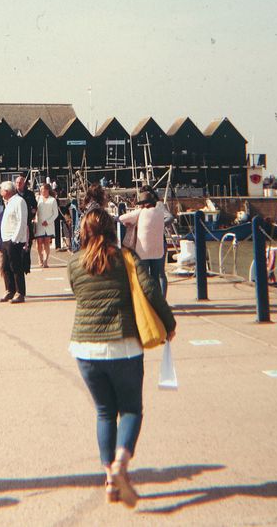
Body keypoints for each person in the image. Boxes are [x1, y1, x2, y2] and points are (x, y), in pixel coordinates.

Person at [68, 207, 176, 507]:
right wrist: (169, 324)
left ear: (84, 231)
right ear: (111, 229)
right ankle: (121, 465)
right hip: (123, 344)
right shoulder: (126, 258)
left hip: (85, 347)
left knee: (104, 412)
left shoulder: (75, 263)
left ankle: (108, 478)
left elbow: (78, 292)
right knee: (130, 410)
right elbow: (150, 290)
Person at [119, 188, 174, 296]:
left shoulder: (158, 206)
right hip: (157, 244)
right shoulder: (150, 208)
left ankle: (156, 299)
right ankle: (159, 300)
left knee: (155, 274)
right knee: (157, 274)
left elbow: (170, 217)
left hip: (154, 243)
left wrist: (158, 225)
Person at [0, 180, 28, 303]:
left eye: (1, 190)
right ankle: (9, 290)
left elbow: (21, 221)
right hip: (5, 239)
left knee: (15, 266)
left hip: (14, 240)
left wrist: (14, 239)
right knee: (5, 267)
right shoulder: (9, 202)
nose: (0, 193)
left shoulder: (19, 201)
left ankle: (20, 292)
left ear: (7, 191)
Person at [34, 183, 59, 268]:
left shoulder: (53, 200)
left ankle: (45, 261)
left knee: (46, 242)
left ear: (47, 190)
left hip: (48, 225)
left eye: (43, 190)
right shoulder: (38, 198)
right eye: (40, 190)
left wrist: (48, 221)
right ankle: (40, 258)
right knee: (39, 242)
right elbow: (34, 210)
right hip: (39, 224)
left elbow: (55, 213)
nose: (42, 191)